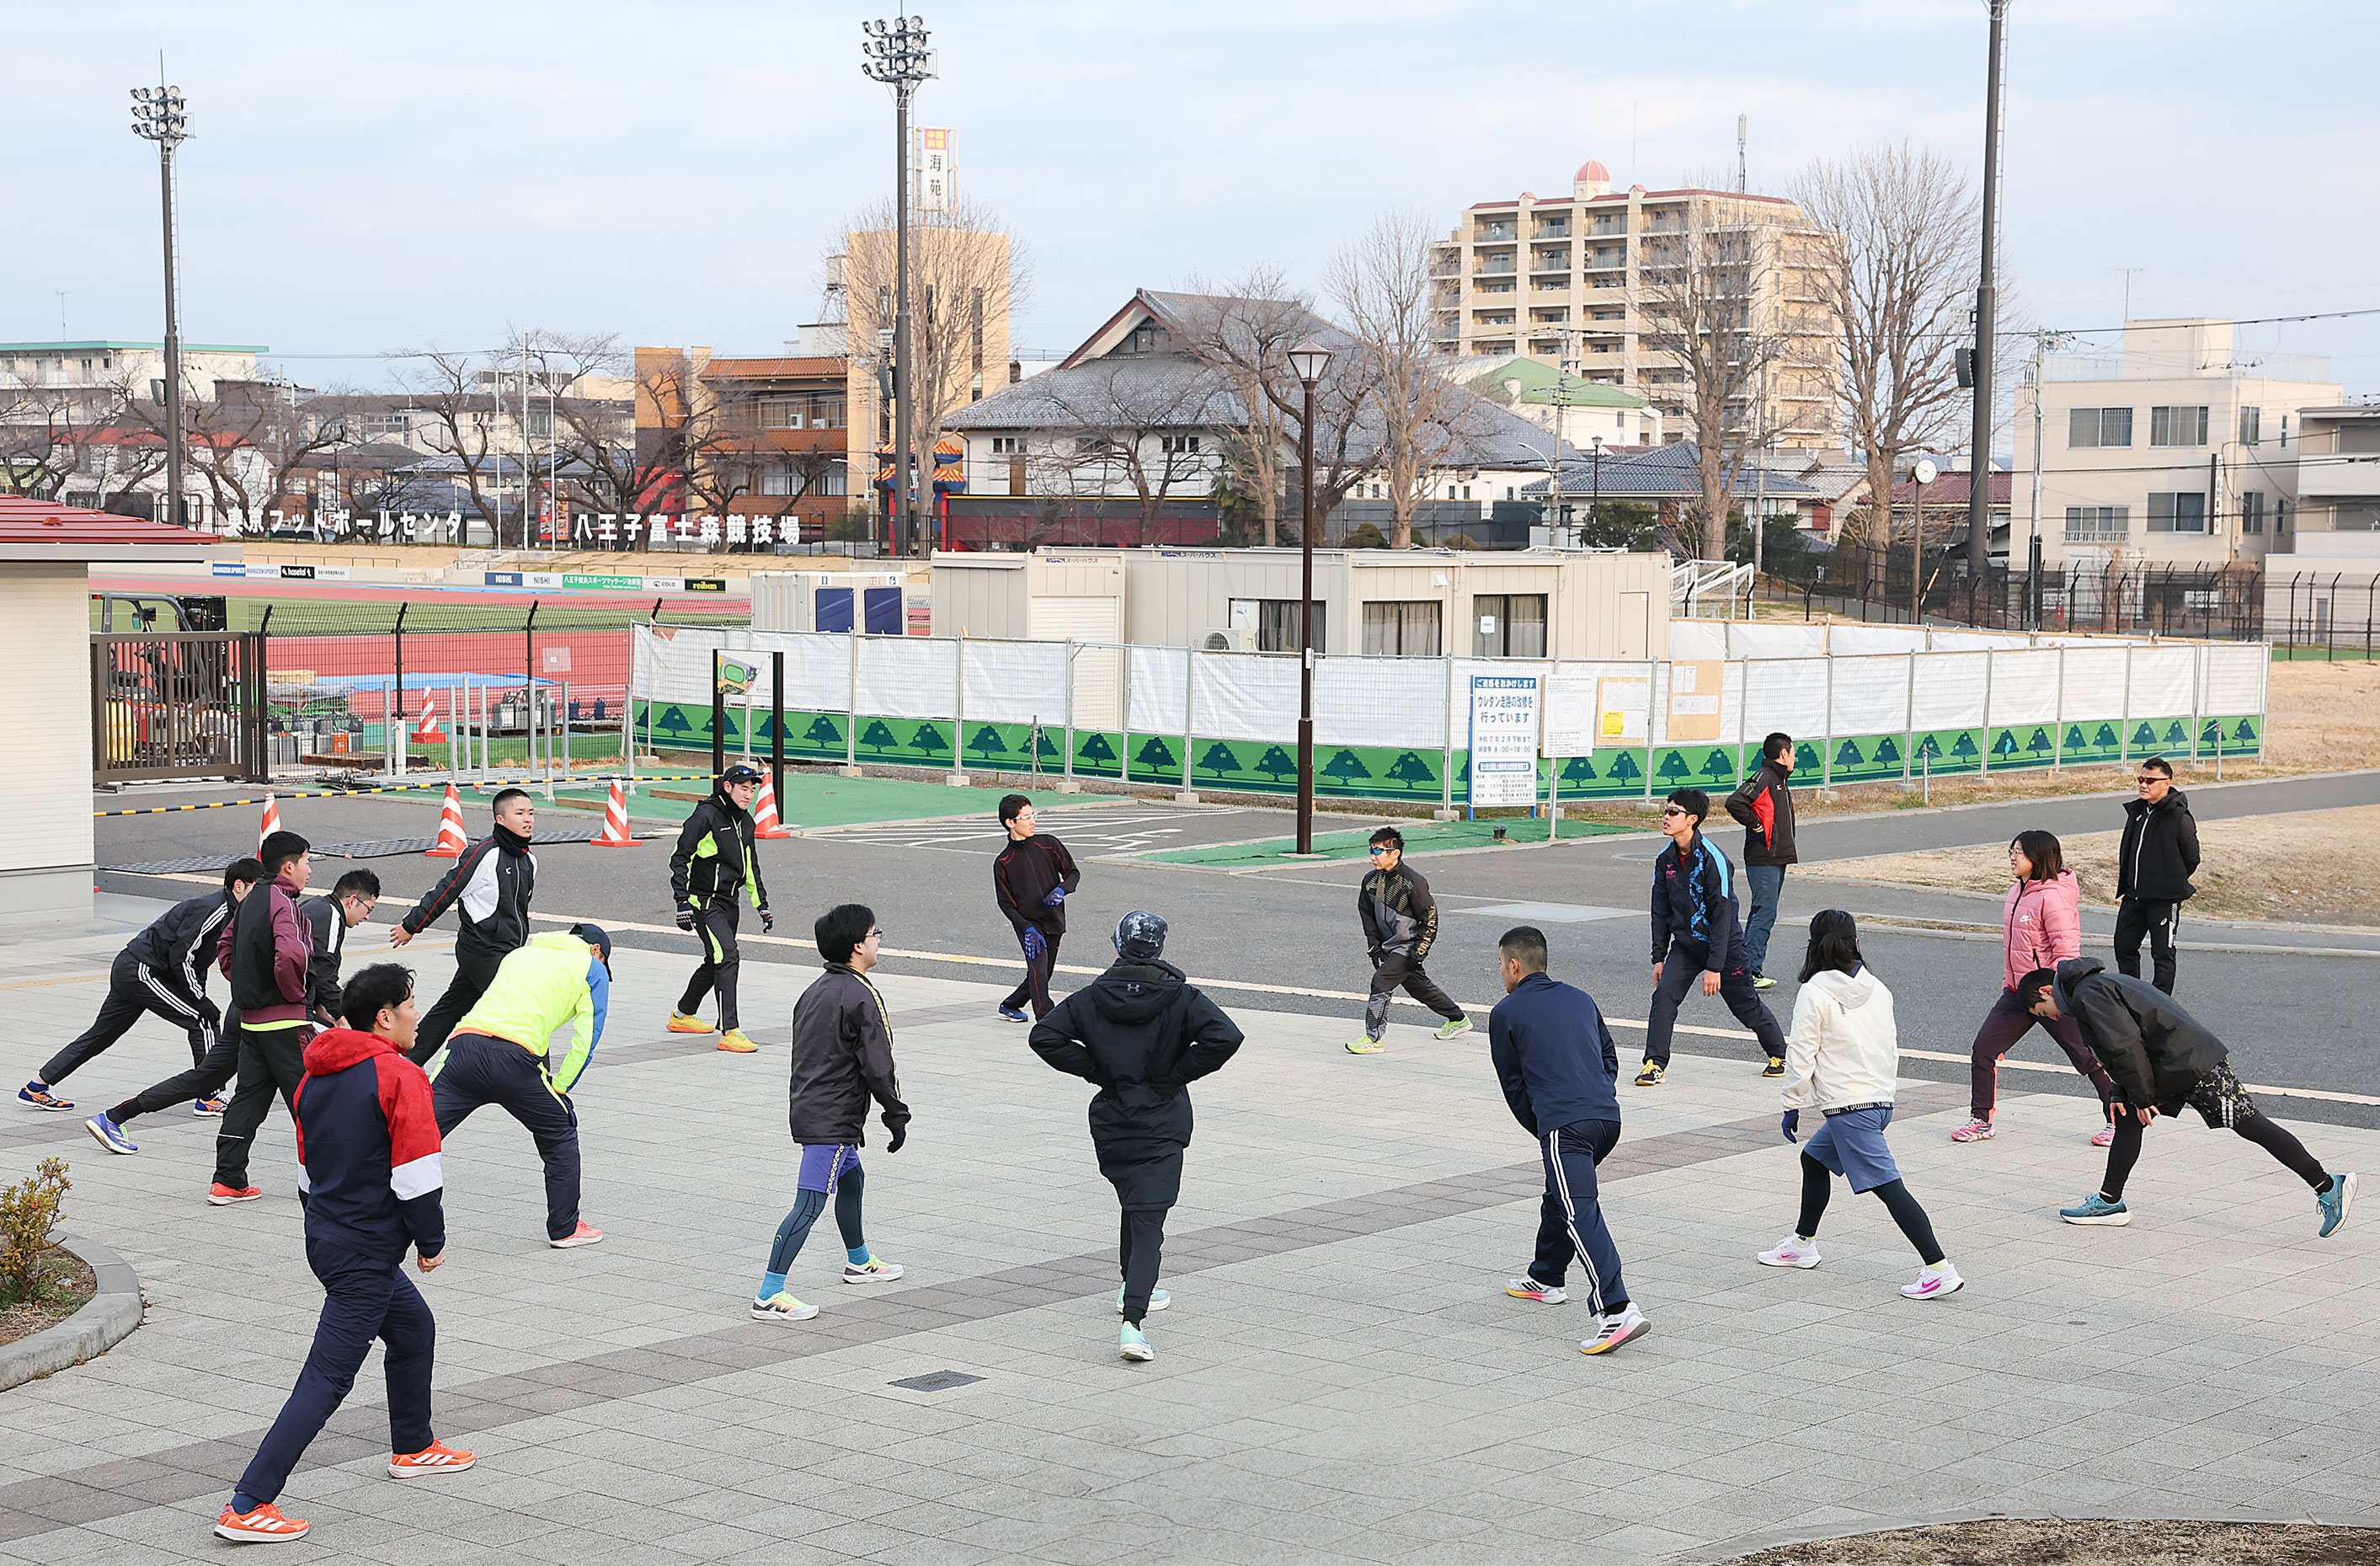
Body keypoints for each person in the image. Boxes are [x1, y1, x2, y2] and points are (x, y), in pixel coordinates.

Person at [211, 963, 473, 1545]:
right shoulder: (400, 1075)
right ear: (384, 1016)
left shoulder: (314, 1077)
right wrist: (430, 1242)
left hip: (329, 1238)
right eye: (411, 1004)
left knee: (413, 1329)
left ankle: (414, 1446)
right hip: (364, 1252)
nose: (417, 1014)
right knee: (328, 1377)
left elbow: (307, 1172)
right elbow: (417, 1172)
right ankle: (248, 1502)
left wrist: (335, 1226)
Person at [1031, 911, 1244, 1363]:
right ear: (1159, 948)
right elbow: (1226, 1037)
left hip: (1114, 1118)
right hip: (1162, 1119)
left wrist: (1097, 1071)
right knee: (1149, 1218)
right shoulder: (1181, 997)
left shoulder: (1092, 997)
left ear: (1118, 944)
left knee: (1136, 1204)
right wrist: (1175, 1075)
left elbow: (1045, 1036)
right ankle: (1133, 1321)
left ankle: (1132, 1284)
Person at [2023, 960, 2354, 1237]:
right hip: (2172, 1063)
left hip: (2191, 1064)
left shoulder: (2088, 994)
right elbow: (2119, 1045)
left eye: (2043, 1012)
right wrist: (2121, 1092)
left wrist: (2141, 1096)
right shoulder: (2091, 988)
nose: (2050, 1018)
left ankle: (2327, 1186)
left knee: (2250, 1124)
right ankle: (2110, 1202)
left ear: (2047, 991)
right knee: (2127, 1119)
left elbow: (2125, 1046)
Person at [1758, 911, 1963, 1300]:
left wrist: (1791, 1103)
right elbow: (1890, 1047)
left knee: (1888, 1187)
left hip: (1850, 1109)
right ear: (1855, 943)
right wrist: (1885, 1093)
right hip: (1879, 1102)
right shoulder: (1878, 988)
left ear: (1814, 946)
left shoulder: (1814, 992)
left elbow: (1801, 1053)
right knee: (1813, 1160)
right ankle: (1802, 1245)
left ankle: (1939, 1269)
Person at [1490, 925, 1649, 1355]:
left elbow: (1514, 1086)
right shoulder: (1581, 998)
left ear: (1515, 965)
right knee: (1559, 1193)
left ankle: (1616, 1309)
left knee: (1580, 1210)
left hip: (1567, 1126)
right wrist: (1598, 1095)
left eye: (1500, 964)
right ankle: (1545, 1276)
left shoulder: (1505, 1012)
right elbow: (1609, 1056)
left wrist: (1548, 1128)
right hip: (1607, 1120)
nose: (1500, 972)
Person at [752, 903, 910, 1323]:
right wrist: (896, 1115)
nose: (879, 941)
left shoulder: (815, 990)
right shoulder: (861, 995)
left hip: (811, 1106)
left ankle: (859, 1261)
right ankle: (769, 1293)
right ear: (858, 946)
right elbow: (879, 1065)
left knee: (852, 1179)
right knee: (808, 1204)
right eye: (875, 934)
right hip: (832, 1120)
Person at [24, 858, 259, 1118]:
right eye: (257, 888)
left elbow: (198, 961)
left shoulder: (233, 912)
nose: (262, 897)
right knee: (203, 1019)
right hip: (142, 970)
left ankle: (37, 1087)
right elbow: (182, 956)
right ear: (239, 886)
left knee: (101, 1035)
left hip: (135, 968)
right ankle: (211, 1096)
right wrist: (199, 1000)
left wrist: (198, 993)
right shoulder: (214, 909)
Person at [427, 925, 612, 1248]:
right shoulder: (591, 968)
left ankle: (357, 1200)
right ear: (596, 950)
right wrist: (561, 1086)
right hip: (516, 1060)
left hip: (464, 1047)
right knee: (560, 1132)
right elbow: (587, 1038)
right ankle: (565, 1228)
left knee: (414, 1129)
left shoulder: (519, 955)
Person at [1950, 831, 2118, 1147]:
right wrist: (2010, 982)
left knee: (2087, 1056)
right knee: (1984, 1050)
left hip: (2051, 995)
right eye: (2011, 851)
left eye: (2020, 852)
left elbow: (2066, 950)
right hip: (2017, 993)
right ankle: (1981, 1120)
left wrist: (2054, 992)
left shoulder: (2053, 897)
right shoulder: (2016, 891)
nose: (2013, 858)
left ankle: (2119, 1121)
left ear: (2039, 857)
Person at [1636, 788, 1790, 1087]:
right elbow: (1660, 911)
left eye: (1673, 812)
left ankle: (1780, 1054)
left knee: (1746, 1006)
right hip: (1686, 947)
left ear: (1692, 819)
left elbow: (1723, 916)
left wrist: (1715, 967)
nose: (1666, 816)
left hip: (1725, 948)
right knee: (1664, 996)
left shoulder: (1713, 859)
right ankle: (1654, 1064)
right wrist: (1658, 957)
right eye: (1666, 810)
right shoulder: (1664, 860)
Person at [207, 832, 320, 1206]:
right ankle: (325, 1179)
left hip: (251, 1022)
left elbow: (225, 946)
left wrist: (244, 981)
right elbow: (290, 955)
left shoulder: (251, 899)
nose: (309, 870)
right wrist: (293, 994)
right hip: (285, 1022)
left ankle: (227, 1180)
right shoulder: (284, 903)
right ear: (289, 866)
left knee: (248, 1100)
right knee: (311, 1100)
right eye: (306, 862)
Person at [391, 787, 536, 1065]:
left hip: (508, 952)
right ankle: (536, 1071)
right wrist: (411, 925)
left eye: (531, 813)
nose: (528, 819)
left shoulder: (529, 860)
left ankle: (404, 1063)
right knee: (519, 1009)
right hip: (482, 950)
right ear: (500, 819)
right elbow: (446, 890)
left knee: (451, 1007)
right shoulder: (483, 854)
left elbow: (519, 909)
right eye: (519, 813)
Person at [668, 763, 772, 1053]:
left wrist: (761, 905)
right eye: (743, 789)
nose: (748, 795)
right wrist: (682, 902)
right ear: (728, 787)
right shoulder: (707, 816)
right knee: (727, 956)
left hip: (729, 902)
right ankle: (730, 1030)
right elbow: (680, 858)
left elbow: (750, 866)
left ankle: (681, 1015)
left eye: (752, 790)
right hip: (703, 902)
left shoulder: (746, 821)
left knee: (716, 960)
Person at [1346, 826, 1470, 1056]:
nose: (1373, 856)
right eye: (1371, 850)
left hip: (1408, 947)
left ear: (1395, 853)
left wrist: (1419, 952)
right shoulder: (1370, 881)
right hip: (1388, 947)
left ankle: (1373, 1039)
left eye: (1378, 850)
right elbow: (1366, 913)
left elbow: (1430, 918)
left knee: (1381, 982)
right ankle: (1458, 1019)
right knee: (1419, 988)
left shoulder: (1413, 882)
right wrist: (1374, 945)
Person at [2114, 756, 2198, 995]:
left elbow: (2192, 857)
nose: (2144, 784)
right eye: (2141, 779)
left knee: (2162, 953)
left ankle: (2160, 1004)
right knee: (2124, 946)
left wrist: (2171, 881)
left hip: (2164, 899)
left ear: (2166, 783)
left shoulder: (2179, 816)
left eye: (2150, 780)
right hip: (2133, 897)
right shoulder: (2137, 813)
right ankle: (2131, 997)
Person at [993, 794, 1079, 1024]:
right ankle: (1047, 1020)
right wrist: (1026, 928)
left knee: (1043, 972)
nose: (1033, 821)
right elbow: (1006, 903)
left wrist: (1061, 890)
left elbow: (1073, 873)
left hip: (1054, 920)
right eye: (1026, 817)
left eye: (1033, 815)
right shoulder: (1004, 862)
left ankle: (1010, 1005)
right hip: (1029, 926)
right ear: (1010, 822)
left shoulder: (1048, 844)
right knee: (1039, 971)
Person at [1723, 731, 1798, 989]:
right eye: (1793, 753)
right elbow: (1735, 802)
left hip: (1778, 856)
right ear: (1783, 753)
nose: (1795, 758)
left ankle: (1742, 968)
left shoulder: (1780, 779)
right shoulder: (1765, 776)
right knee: (1765, 911)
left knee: (1764, 911)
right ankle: (1749, 971)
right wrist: (1755, 825)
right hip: (1763, 856)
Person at [298, 870, 382, 1027]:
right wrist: (342, 1018)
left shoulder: (316, 905)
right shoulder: (331, 917)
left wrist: (323, 1012)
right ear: (352, 901)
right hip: (289, 1008)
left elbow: (314, 971)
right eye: (369, 909)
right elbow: (323, 975)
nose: (367, 917)